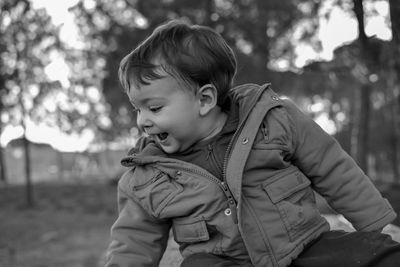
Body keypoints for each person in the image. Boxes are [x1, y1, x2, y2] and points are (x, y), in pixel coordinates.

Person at [105, 19, 400, 267]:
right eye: (137, 109)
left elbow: (333, 169)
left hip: (304, 247)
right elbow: (133, 240)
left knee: (376, 252)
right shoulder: (147, 176)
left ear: (204, 99)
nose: (142, 120)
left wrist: (376, 223)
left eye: (154, 108)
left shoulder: (272, 120)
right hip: (223, 261)